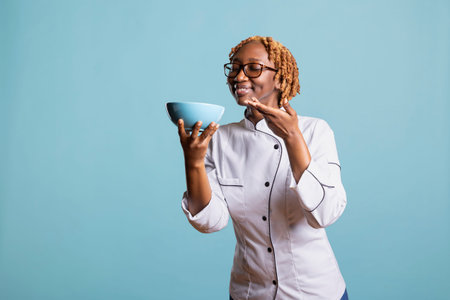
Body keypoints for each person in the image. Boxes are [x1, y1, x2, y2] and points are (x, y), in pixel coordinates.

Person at [177, 36, 348, 300]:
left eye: (253, 68)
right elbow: (211, 221)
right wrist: (193, 161)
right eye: (234, 68)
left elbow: (323, 215)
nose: (239, 76)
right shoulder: (219, 138)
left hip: (316, 293)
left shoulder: (315, 131)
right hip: (249, 293)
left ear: (279, 78)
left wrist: (292, 138)